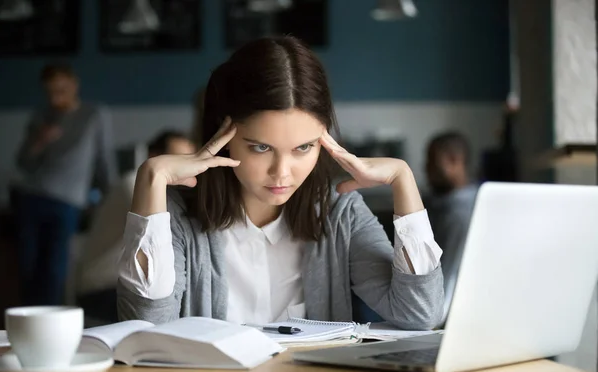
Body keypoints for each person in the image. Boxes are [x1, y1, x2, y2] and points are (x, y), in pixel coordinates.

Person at [117, 37, 444, 329]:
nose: (282, 173)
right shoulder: (177, 214)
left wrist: (403, 178)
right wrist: (151, 176)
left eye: (303, 148)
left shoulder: (339, 211)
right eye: (261, 147)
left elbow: (420, 313)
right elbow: (145, 329)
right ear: (224, 134)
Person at [14, 62, 117, 306]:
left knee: (55, 270)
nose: (55, 96)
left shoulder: (94, 115)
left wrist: (111, 199)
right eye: (50, 91)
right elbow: (23, 163)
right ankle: (25, 322)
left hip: (67, 203)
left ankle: (49, 326)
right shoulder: (41, 116)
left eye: (61, 89)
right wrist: (40, 140)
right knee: (28, 268)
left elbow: (104, 159)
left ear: (74, 84)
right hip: (31, 197)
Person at [76, 130, 196, 324]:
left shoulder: (164, 193)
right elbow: (165, 226)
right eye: (178, 159)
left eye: (190, 159)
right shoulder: (133, 184)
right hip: (103, 288)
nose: (185, 167)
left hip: (121, 287)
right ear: (155, 158)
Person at [424, 131, 478, 326]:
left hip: (447, 316)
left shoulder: (460, 214)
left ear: (455, 161)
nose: (425, 169)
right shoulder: (441, 205)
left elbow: (450, 272)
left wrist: (432, 322)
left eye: (431, 162)